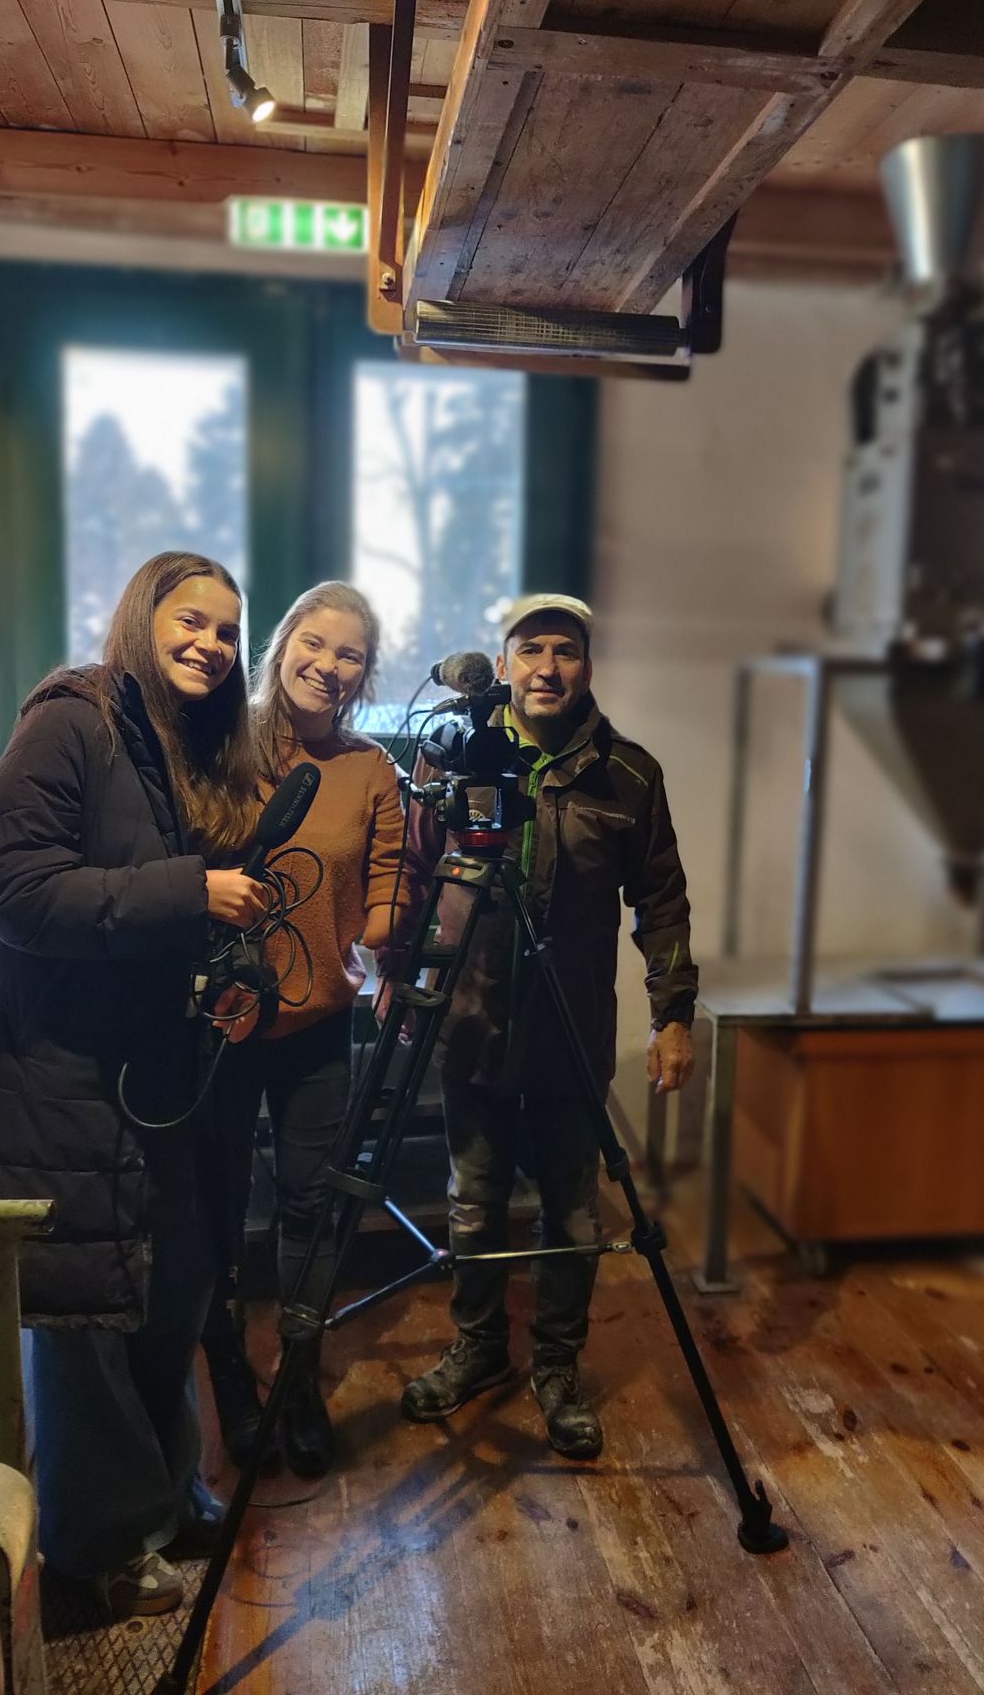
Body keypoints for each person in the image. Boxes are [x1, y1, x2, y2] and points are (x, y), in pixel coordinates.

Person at [0, 552, 268, 1619]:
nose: (212, 645)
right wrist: (192, 893)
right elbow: (21, 893)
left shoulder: (178, 745)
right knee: (86, 1320)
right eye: (193, 620)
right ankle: (97, 1553)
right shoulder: (70, 719)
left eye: (228, 632)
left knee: (169, 1295)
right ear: (141, 616)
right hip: (62, 1079)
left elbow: (150, 908)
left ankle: (164, 1499)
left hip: (153, 1073)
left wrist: (222, 970)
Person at [398, 592, 697, 1460]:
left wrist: (674, 1014)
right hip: (472, 1020)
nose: (547, 667)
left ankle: (558, 1366)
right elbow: (413, 875)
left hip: (572, 1029)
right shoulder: (453, 755)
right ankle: (479, 1347)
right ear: (502, 665)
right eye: (530, 650)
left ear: (587, 668)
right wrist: (399, 979)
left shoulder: (628, 775)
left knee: (571, 1213)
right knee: (472, 1201)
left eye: (564, 650)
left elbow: (662, 902)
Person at [204, 580, 414, 1480]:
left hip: (319, 1025)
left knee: (309, 1208)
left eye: (350, 655)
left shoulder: (370, 770)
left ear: (366, 674)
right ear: (283, 643)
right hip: (218, 1025)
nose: (328, 666)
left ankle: (298, 1384)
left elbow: (389, 878)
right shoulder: (218, 741)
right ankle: (229, 1388)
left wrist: (387, 938)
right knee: (216, 1213)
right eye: (315, 644)